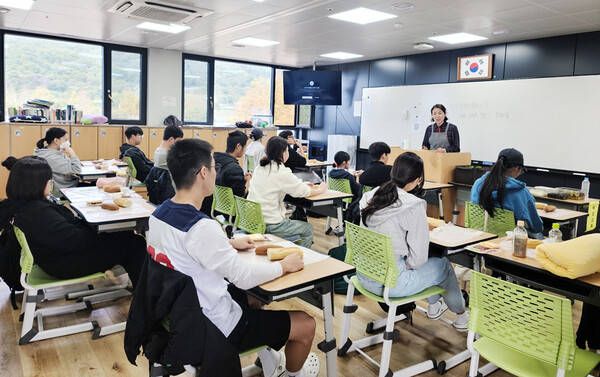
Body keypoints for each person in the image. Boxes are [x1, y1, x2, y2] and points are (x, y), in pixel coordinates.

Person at [146, 138, 320, 377]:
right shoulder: (202, 228)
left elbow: (180, 250)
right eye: (215, 167)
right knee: (306, 324)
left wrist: (227, 243)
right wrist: (284, 266)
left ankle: (269, 361)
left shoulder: (159, 214)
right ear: (203, 173)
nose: (217, 173)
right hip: (214, 326)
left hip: (176, 317)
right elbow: (245, 276)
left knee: (251, 299)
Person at [358, 152, 469, 331]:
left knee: (426, 265)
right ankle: (461, 316)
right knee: (442, 265)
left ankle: (434, 306)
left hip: (365, 275)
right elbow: (418, 260)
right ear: (417, 180)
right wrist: (409, 263)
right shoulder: (413, 205)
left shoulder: (370, 197)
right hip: (391, 284)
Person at [0, 156, 146, 287]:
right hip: (66, 263)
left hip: (55, 256)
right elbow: (76, 240)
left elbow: (65, 234)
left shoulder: (20, 205)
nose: (51, 183)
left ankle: (134, 281)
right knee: (135, 242)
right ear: (35, 184)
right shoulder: (36, 212)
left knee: (124, 233)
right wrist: (99, 228)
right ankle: (144, 301)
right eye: (49, 180)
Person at [248, 137, 328, 248]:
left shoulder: (260, 167)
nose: (288, 153)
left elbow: (285, 185)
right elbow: (302, 192)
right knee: (308, 229)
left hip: (252, 221)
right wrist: (320, 189)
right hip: (270, 225)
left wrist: (302, 184)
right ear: (282, 153)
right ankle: (298, 258)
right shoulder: (281, 171)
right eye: (287, 151)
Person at [470, 148, 543, 238]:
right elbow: (536, 227)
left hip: (480, 235)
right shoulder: (521, 193)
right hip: (508, 241)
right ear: (516, 168)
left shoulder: (478, 184)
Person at [34, 127, 81, 197]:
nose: (68, 142)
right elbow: (77, 169)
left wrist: (68, 170)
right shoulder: (51, 157)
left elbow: (70, 165)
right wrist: (71, 152)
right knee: (94, 186)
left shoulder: (50, 152)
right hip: (63, 189)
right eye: (66, 139)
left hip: (65, 184)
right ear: (56, 140)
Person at [145, 125, 184, 205]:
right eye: (178, 141)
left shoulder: (158, 151)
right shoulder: (167, 155)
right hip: (173, 190)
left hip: (162, 190)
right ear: (171, 139)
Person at [215, 130, 252, 198]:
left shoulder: (215, 160)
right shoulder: (234, 168)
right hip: (231, 207)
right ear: (238, 146)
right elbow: (241, 194)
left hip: (217, 204)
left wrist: (242, 179)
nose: (244, 150)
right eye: (244, 147)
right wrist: (249, 180)